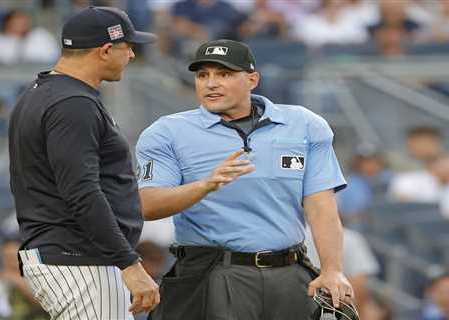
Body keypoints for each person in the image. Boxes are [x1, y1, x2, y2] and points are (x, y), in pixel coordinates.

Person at [136, 39, 354, 319]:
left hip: (289, 271)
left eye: (224, 74)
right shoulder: (167, 132)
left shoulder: (305, 124)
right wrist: (205, 186)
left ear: (252, 79)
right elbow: (147, 205)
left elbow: (321, 205)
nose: (211, 83)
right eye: (203, 75)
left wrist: (332, 269)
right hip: (212, 273)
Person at [8, 6, 159, 320]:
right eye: (127, 46)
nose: (131, 55)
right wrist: (130, 263)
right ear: (105, 50)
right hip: (78, 259)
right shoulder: (73, 103)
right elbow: (81, 192)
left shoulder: (43, 91)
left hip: (69, 256)